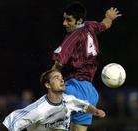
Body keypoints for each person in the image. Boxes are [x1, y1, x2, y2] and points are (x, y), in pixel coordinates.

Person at [52, 2, 122, 131]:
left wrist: (49, 84)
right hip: (89, 93)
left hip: (74, 89)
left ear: (79, 20)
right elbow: (106, 24)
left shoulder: (72, 37)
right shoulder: (90, 26)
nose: (64, 23)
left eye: (69, 20)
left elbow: (57, 66)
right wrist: (110, 17)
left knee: (43, 122)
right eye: (64, 18)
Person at [3, 69, 105, 131]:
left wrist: (95, 111)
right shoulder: (38, 109)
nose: (61, 80)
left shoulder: (69, 100)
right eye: (56, 78)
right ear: (48, 85)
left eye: (61, 77)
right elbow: (11, 123)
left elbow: (84, 106)